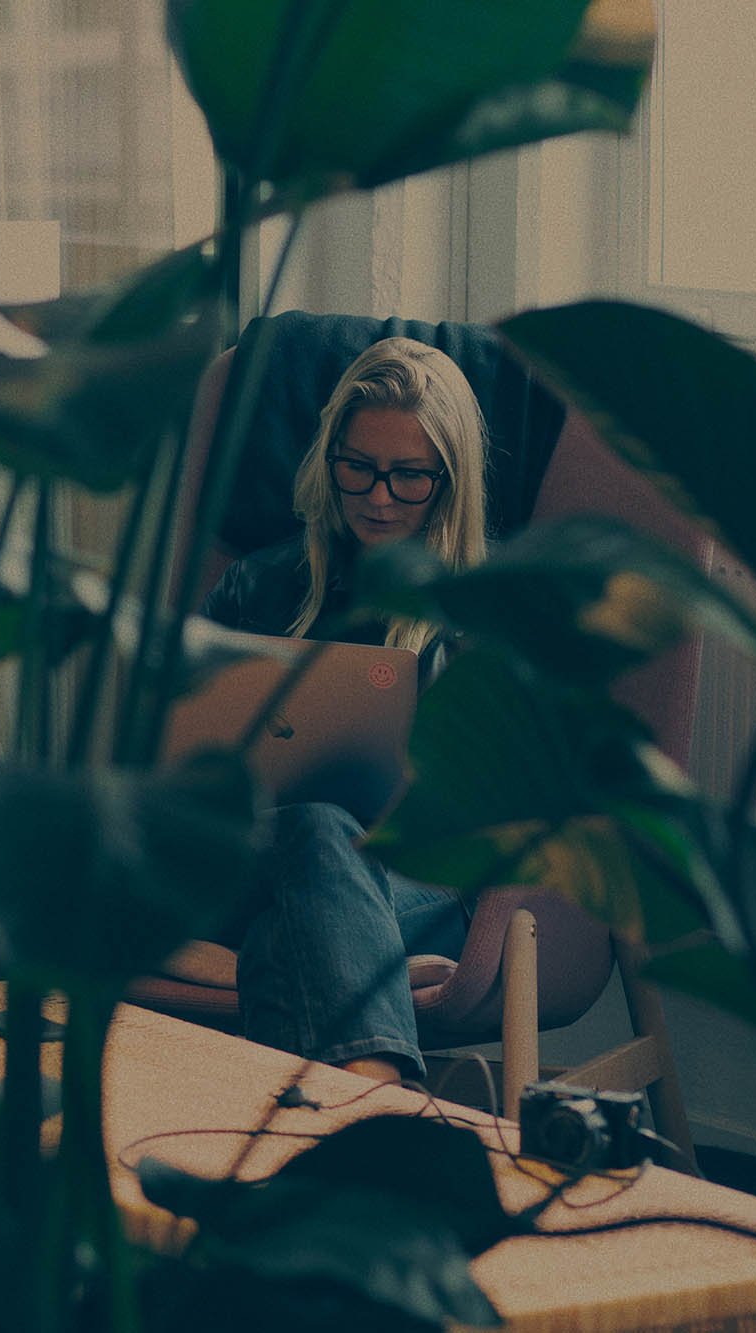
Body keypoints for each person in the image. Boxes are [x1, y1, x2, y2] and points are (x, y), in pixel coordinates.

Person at [200, 336, 489, 1085]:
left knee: (309, 865)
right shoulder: (254, 590)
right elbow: (173, 748)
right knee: (310, 836)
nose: (379, 497)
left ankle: (361, 1106)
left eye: (410, 476)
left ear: (450, 481)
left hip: (420, 886)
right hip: (241, 861)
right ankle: (377, 1107)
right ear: (328, 457)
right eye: (357, 466)